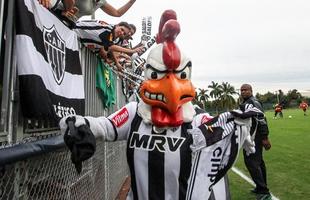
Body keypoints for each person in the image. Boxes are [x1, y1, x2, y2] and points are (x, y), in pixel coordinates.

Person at [59, 10, 261, 200]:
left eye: (181, 76)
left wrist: (241, 124)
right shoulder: (133, 113)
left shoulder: (197, 119)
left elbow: (220, 131)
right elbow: (105, 126)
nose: (171, 86)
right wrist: (78, 122)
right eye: (158, 75)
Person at [239, 84, 272, 200]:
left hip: (254, 138)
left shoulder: (252, 102)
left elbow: (261, 119)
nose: (243, 92)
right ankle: (261, 187)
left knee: (251, 163)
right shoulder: (248, 102)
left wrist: (264, 137)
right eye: (241, 90)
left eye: (245, 90)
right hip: (252, 137)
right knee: (258, 162)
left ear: (251, 91)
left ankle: (264, 191)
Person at [38, 0, 137, 22]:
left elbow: (117, 13)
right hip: (54, 14)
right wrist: (68, 8)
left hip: (69, 24)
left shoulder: (101, 2)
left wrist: (132, 1)